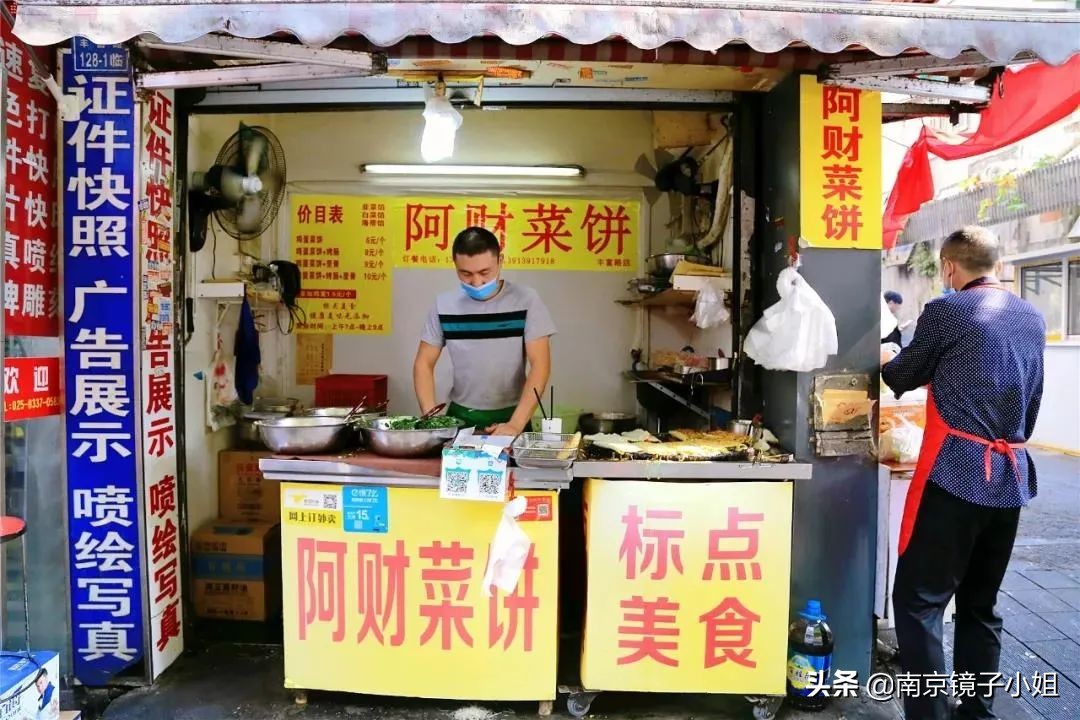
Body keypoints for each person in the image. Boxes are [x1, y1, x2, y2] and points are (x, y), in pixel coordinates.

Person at [880, 226, 1045, 720]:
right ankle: (977, 712)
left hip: (955, 473)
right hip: (1011, 475)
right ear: (996, 264)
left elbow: (902, 376)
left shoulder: (947, 311)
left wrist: (889, 355)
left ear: (949, 268)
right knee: (980, 604)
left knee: (918, 602)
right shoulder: (1031, 316)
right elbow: (1031, 404)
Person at [413, 226, 555, 436]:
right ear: (455, 265)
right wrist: (431, 417)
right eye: (466, 274)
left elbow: (540, 365)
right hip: (461, 414)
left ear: (500, 261)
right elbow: (423, 363)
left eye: (484, 273)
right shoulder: (444, 305)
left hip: (514, 413)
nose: (476, 282)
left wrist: (515, 424)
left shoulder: (526, 300)